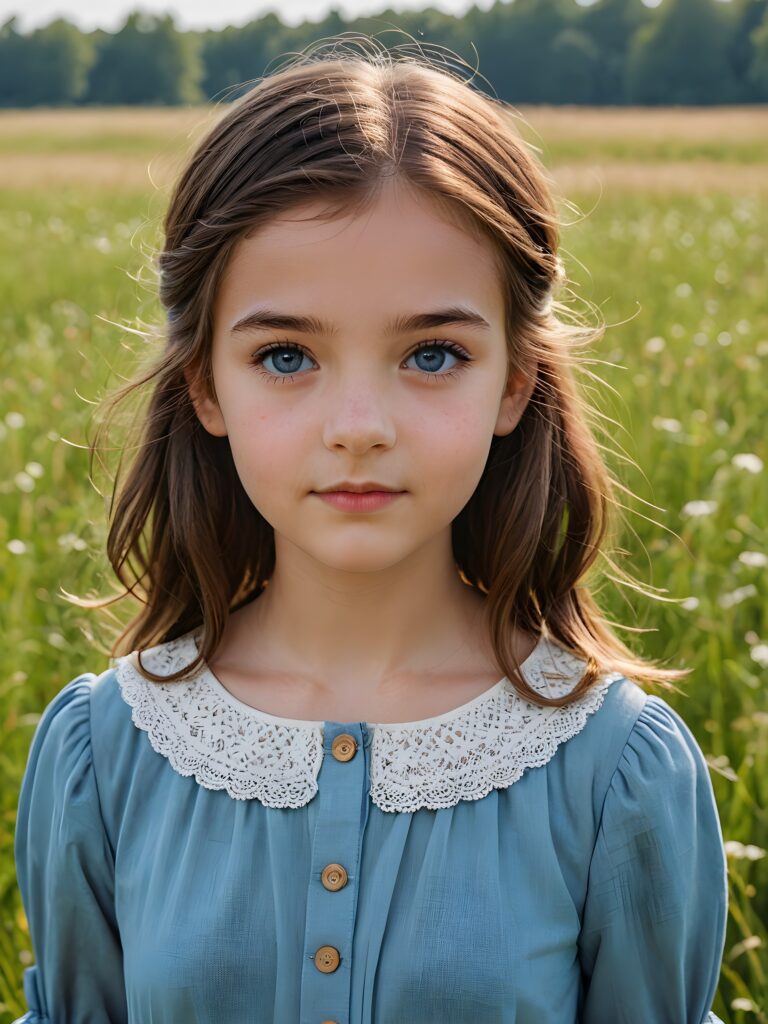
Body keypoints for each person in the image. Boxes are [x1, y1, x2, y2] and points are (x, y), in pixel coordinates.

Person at [13, 37, 728, 1024]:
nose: (359, 426)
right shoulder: (108, 751)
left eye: (433, 353)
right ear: (203, 384)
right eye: (285, 355)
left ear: (514, 383)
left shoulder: (615, 769)